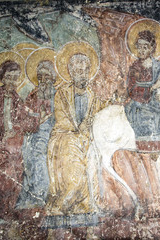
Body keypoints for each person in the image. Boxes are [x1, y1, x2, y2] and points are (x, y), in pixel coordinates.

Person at [0, 60, 40, 221]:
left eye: (15, 77)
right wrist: (0, 137)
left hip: (13, 145)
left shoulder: (17, 99)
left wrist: (36, 119)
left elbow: (24, 121)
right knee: (6, 169)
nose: (12, 81)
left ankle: (6, 207)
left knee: (17, 168)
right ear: (2, 78)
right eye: (9, 77)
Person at [46, 51, 105, 221]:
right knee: (75, 167)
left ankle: (86, 203)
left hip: (86, 138)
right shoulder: (62, 93)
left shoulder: (93, 95)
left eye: (85, 70)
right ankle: (64, 202)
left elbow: (98, 115)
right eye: (78, 71)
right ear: (71, 72)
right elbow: (61, 119)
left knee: (95, 161)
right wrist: (79, 128)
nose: (82, 74)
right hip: (65, 137)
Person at [124, 30, 160, 152]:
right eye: (139, 47)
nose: (142, 50)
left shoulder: (159, 67)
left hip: (158, 105)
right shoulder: (134, 68)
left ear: (151, 49)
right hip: (139, 105)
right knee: (140, 114)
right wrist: (153, 87)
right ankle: (144, 144)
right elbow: (132, 91)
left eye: (146, 47)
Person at [16, 60, 57, 209]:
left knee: (38, 153)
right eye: (40, 77)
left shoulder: (57, 94)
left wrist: (44, 118)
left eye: (47, 76)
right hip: (33, 131)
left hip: (52, 130)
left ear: (52, 78)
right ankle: (29, 192)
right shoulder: (33, 94)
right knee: (25, 153)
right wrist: (34, 119)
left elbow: (58, 115)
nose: (43, 80)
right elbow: (24, 114)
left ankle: (41, 192)